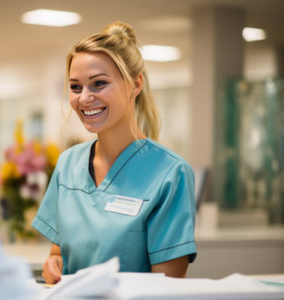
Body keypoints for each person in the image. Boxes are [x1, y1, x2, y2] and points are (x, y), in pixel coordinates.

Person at [32, 21, 197, 284]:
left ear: (135, 84)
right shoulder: (68, 164)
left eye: (98, 83)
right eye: (76, 87)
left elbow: (167, 286)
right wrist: (54, 263)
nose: (84, 97)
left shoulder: (170, 173)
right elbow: (58, 253)